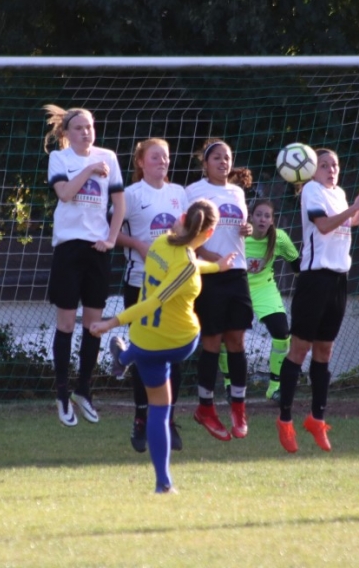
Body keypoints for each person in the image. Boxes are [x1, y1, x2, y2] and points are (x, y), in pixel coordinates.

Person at [91, 199, 236, 494]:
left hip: (145, 340)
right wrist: (110, 323)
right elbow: (166, 291)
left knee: (157, 409)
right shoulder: (187, 266)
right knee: (162, 407)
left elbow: (186, 268)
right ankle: (124, 358)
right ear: (208, 233)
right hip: (178, 343)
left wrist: (216, 266)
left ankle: (163, 483)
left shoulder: (159, 244)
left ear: (181, 218)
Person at [276, 148, 359, 453]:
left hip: (338, 280)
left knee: (325, 351)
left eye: (335, 164)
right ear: (311, 170)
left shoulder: (339, 193)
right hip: (314, 280)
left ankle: (316, 419)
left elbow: (339, 225)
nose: (331, 169)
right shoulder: (311, 190)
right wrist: (352, 209)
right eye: (324, 165)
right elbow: (322, 225)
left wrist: (357, 217)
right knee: (299, 350)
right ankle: (284, 420)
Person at [43, 104, 125, 427]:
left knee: (94, 326)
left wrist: (111, 239)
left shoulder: (109, 157)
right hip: (68, 249)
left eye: (89, 126)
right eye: (78, 127)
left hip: (97, 251)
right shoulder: (59, 158)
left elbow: (119, 205)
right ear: (66, 132)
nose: (86, 132)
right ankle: (62, 394)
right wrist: (89, 170)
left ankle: (84, 391)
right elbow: (65, 194)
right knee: (65, 325)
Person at [115, 138, 188, 453]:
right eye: (155, 157)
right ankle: (141, 418)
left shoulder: (179, 193)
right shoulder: (131, 195)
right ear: (141, 162)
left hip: (175, 284)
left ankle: (168, 419)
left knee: (177, 351)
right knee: (144, 352)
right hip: (140, 283)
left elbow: (189, 232)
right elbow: (110, 231)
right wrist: (138, 245)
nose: (162, 161)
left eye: (166, 157)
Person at [184, 139, 253, 441]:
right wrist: (207, 255)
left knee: (236, 340)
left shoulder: (237, 192)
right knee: (212, 341)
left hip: (236, 272)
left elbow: (238, 229)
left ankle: (238, 408)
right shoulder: (193, 192)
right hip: (210, 273)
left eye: (227, 157)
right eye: (217, 158)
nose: (223, 162)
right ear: (205, 163)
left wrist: (248, 229)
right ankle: (205, 408)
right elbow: (186, 234)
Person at [219, 198, 300, 402]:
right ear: (251, 217)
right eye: (259, 215)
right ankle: (229, 384)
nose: (262, 219)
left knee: (282, 334)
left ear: (272, 220)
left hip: (264, 289)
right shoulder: (239, 235)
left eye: (267, 216)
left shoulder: (280, 238)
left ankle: (275, 388)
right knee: (225, 337)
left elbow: (297, 265)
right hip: (238, 288)